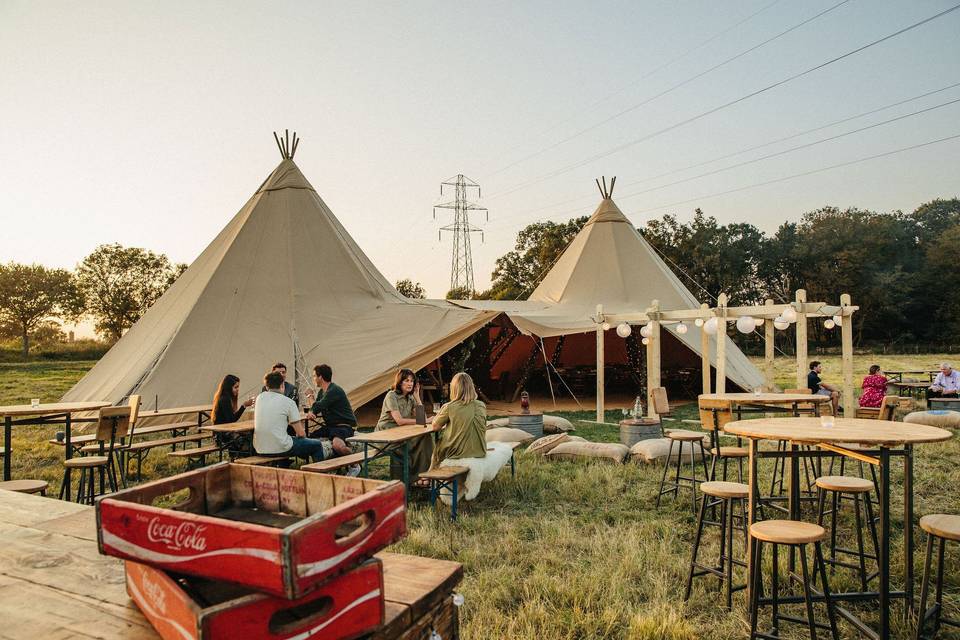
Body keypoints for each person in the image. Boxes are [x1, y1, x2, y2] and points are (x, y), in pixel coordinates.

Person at [254, 371, 342, 462]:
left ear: (266, 386)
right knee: (316, 444)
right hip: (281, 447)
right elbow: (301, 434)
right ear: (282, 385)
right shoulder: (288, 402)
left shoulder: (259, 398)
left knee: (294, 441)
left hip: (260, 448)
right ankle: (320, 472)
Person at [377, 368, 433, 479]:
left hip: (401, 433)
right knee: (410, 444)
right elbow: (399, 420)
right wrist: (425, 421)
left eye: (412, 381)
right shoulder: (391, 396)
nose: (410, 383)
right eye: (406, 380)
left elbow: (422, 419)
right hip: (385, 435)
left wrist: (417, 398)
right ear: (400, 382)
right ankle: (414, 478)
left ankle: (423, 476)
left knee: (425, 437)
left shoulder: (410, 398)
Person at [431, 372, 487, 468]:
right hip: (480, 451)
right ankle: (428, 476)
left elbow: (435, 427)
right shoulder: (481, 405)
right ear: (471, 387)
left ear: (454, 388)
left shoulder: (450, 407)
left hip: (456, 453)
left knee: (438, 445)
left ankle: (431, 474)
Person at [305, 364, 357, 442]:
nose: (313, 379)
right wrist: (311, 412)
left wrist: (310, 396)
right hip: (331, 427)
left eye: (314, 376)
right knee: (310, 438)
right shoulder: (321, 392)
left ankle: (353, 453)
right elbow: (316, 408)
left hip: (344, 426)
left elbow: (319, 405)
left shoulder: (334, 390)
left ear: (320, 377)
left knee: (337, 445)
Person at [211, 374, 255, 452]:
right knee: (247, 439)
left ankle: (238, 457)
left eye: (238, 387)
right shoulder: (225, 399)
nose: (238, 389)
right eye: (235, 387)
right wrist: (244, 406)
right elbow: (231, 420)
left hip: (225, 432)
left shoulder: (227, 398)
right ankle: (239, 458)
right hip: (221, 435)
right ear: (228, 387)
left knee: (250, 435)